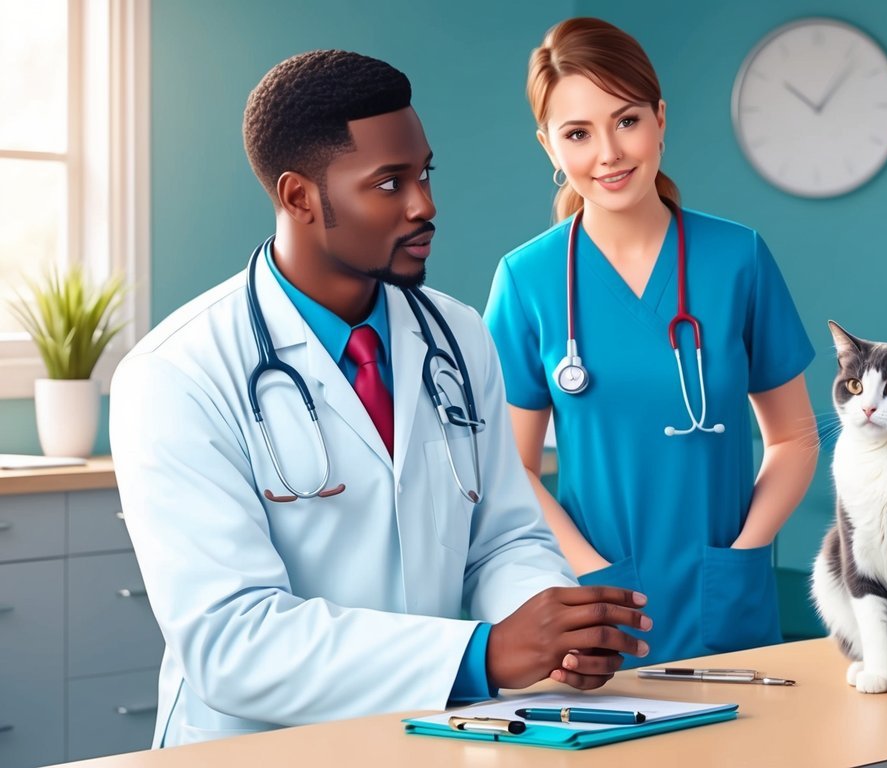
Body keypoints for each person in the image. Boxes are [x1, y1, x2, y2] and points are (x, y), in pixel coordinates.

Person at [109, 50, 650, 748]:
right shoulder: (176, 373)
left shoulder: (456, 335)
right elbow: (229, 639)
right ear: (300, 197)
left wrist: (549, 629)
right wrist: (484, 653)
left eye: (423, 173)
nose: (424, 204)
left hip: (432, 731)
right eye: (388, 184)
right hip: (258, 746)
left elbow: (501, 540)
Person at [484, 18, 818, 666]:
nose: (608, 152)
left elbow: (794, 437)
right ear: (549, 146)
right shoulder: (527, 279)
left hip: (726, 605)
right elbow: (510, 468)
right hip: (597, 619)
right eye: (577, 133)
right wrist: (589, 575)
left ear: (659, 120)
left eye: (626, 120)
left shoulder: (737, 258)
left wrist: (746, 549)